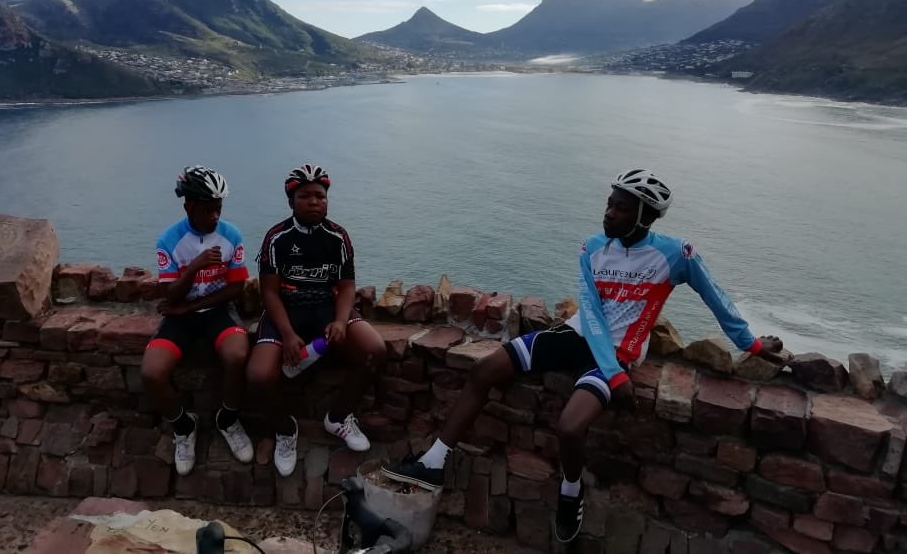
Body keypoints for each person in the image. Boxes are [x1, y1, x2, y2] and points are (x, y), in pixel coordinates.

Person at [382, 168, 785, 544]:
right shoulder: (592, 248)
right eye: (610, 203)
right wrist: (614, 375)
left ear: (644, 216)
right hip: (579, 334)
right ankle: (433, 463)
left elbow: (714, 294)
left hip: (622, 349)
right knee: (485, 369)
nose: (609, 213)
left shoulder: (676, 254)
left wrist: (749, 344)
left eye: (621, 208)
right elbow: (589, 312)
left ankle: (571, 492)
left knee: (570, 428)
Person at [247, 164, 387, 477]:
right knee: (258, 375)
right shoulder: (276, 238)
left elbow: (347, 286)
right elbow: (268, 293)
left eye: (320, 196)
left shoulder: (338, 236)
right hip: (286, 312)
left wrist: (340, 321)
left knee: (374, 350)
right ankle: (285, 429)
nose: (314, 202)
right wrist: (287, 334)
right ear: (291, 201)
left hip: (327, 308)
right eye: (305, 196)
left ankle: (338, 417)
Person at [141, 166, 255, 477]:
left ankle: (228, 419)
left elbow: (235, 287)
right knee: (152, 372)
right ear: (189, 207)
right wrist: (194, 267)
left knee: (238, 356)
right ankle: (183, 425)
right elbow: (169, 295)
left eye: (219, 208)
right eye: (208, 209)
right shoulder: (169, 240)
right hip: (181, 316)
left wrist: (192, 307)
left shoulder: (231, 235)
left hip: (217, 309)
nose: (215, 215)